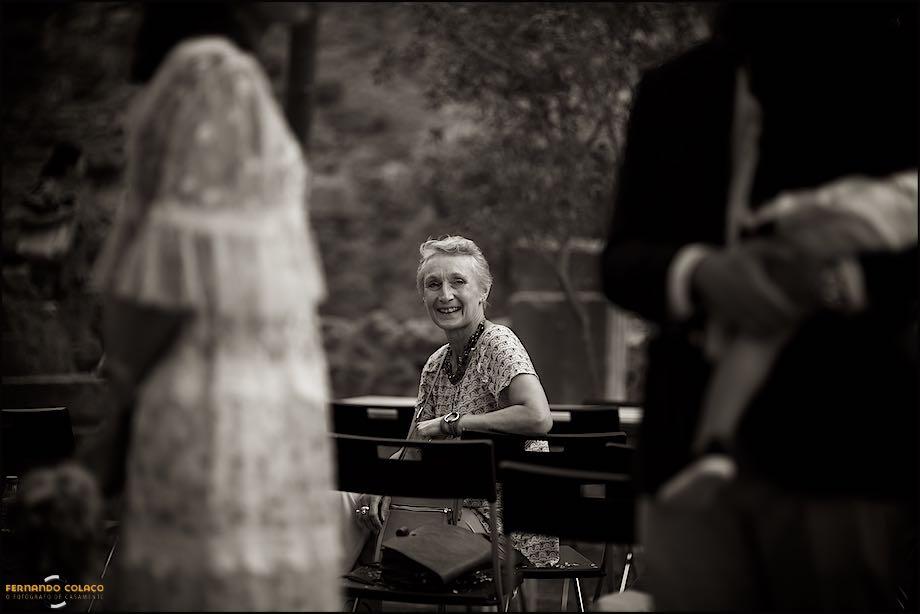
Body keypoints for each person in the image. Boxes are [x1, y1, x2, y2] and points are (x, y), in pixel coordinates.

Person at [601, 3, 916, 611]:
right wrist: (699, 275)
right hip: (683, 439)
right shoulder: (675, 88)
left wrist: (838, 281)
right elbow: (622, 260)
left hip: (842, 436)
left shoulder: (896, 72)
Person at [86, 3, 340, 610]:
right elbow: (176, 280)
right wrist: (119, 400)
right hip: (221, 410)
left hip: (245, 403)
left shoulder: (217, 74)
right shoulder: (212, 74)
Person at [346, 235, 558, 573]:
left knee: (394, 538)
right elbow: (414, 447)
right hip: (449, 505)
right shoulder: (436, 363)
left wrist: (455, 422)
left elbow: (538, 417)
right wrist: (381, 481)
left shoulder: (498, 343)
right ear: (424, 295)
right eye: (433, 284)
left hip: (504, 524)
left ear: (483, 291)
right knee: (346, 505)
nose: (445, 295)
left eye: (458, 281)